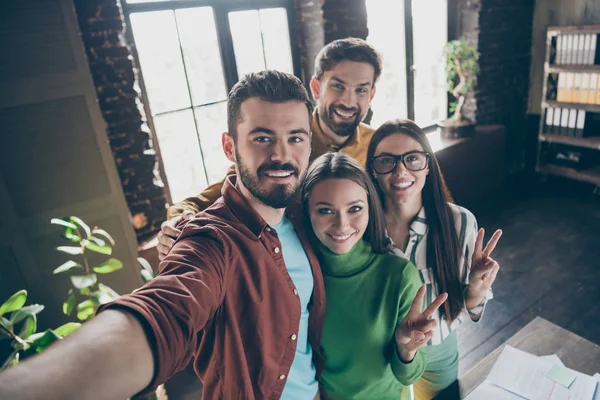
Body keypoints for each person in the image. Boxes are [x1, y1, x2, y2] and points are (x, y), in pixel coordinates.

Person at [0, 71, 326, 400]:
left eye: (295, 138)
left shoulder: (307, 215)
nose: (282, 154)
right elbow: (167, 311)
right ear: (230, 147)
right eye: (262, 138)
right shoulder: (211, 241)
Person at [160, 38, 383, 259]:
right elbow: (202, 201)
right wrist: (178, 222)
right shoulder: (280, 152)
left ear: (371, 95)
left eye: (361, 90)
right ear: (316, 88)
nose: (348, 100)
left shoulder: (378, 146)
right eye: (337, 86)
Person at [365, 119, 503, 399]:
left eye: (413, 159)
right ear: (373, 170)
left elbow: (466, 306)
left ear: (428, 165)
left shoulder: (459, 222)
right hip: (380, 353)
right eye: (387, 161)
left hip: (438, 347)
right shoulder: (361, 226)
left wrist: (476, 287)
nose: (400, 170)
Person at [300, 152, 448, 400]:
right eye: (326, 211)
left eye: (355, 209)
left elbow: (409, 376)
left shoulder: (398, 275)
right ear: (307, 210)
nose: (342, 225)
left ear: (370, 206)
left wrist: (406, 350)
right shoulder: (299, 272)